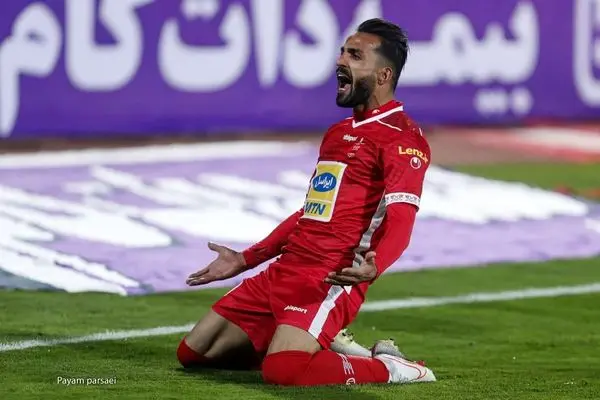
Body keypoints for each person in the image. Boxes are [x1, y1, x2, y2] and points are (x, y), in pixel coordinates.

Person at [177, 18, 436, 386]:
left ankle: (393, 368)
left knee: (284, 371)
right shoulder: (338, 134)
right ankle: (316, 346)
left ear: (383, 75)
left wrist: (375, 266)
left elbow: (401, 218)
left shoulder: (401, 138)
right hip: (285, 270)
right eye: (342, 51)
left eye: (355, 55)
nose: (340, 60)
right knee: (194, 353)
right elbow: (311, 213)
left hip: (329, 277)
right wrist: (245, 260)